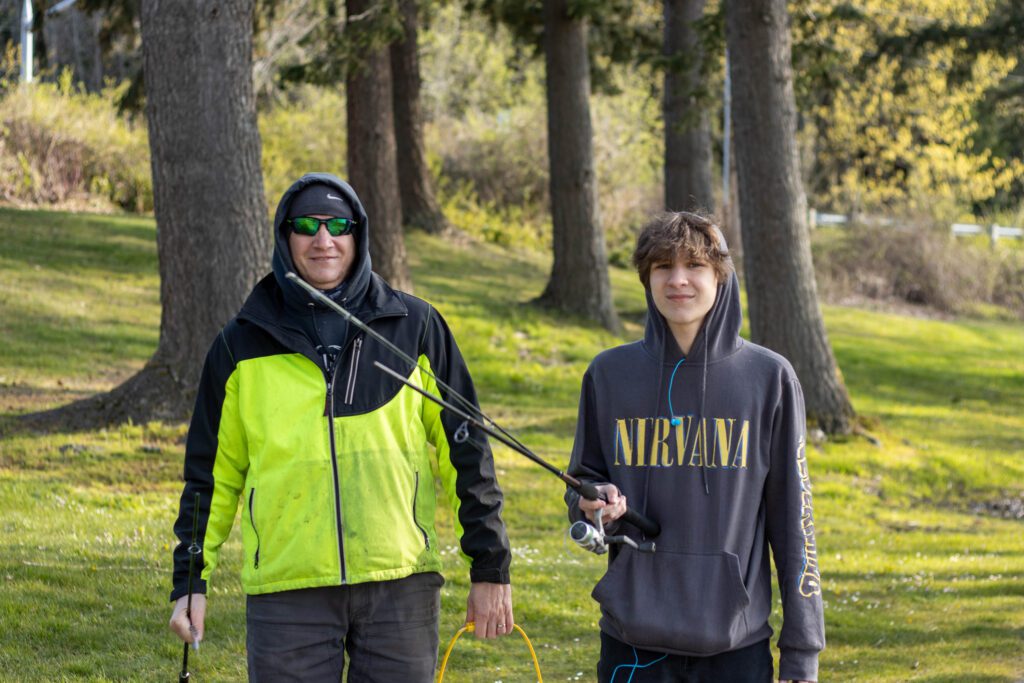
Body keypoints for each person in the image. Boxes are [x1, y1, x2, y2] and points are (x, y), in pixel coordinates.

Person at [168, 173, 514, 682]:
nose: (323, 240)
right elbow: (209, 477)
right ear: (285, 236)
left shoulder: (415, 327)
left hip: (399, 584)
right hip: (288, 589)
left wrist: (490, 565)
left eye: (338, 226)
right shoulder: (238, 344)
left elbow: (468, 452)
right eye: (306, 225)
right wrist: (190, 581)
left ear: (359, 235)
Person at [565, 211, 824, 682]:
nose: (678, 279)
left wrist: (802, 653)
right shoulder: (608, 375)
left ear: (720, 277)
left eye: (695, 266)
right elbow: (580, 482)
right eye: (663, 266)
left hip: (735, 649)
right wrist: (591, 502)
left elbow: (796, 526)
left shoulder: (769, 379)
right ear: (647, 278)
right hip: (631, 645)